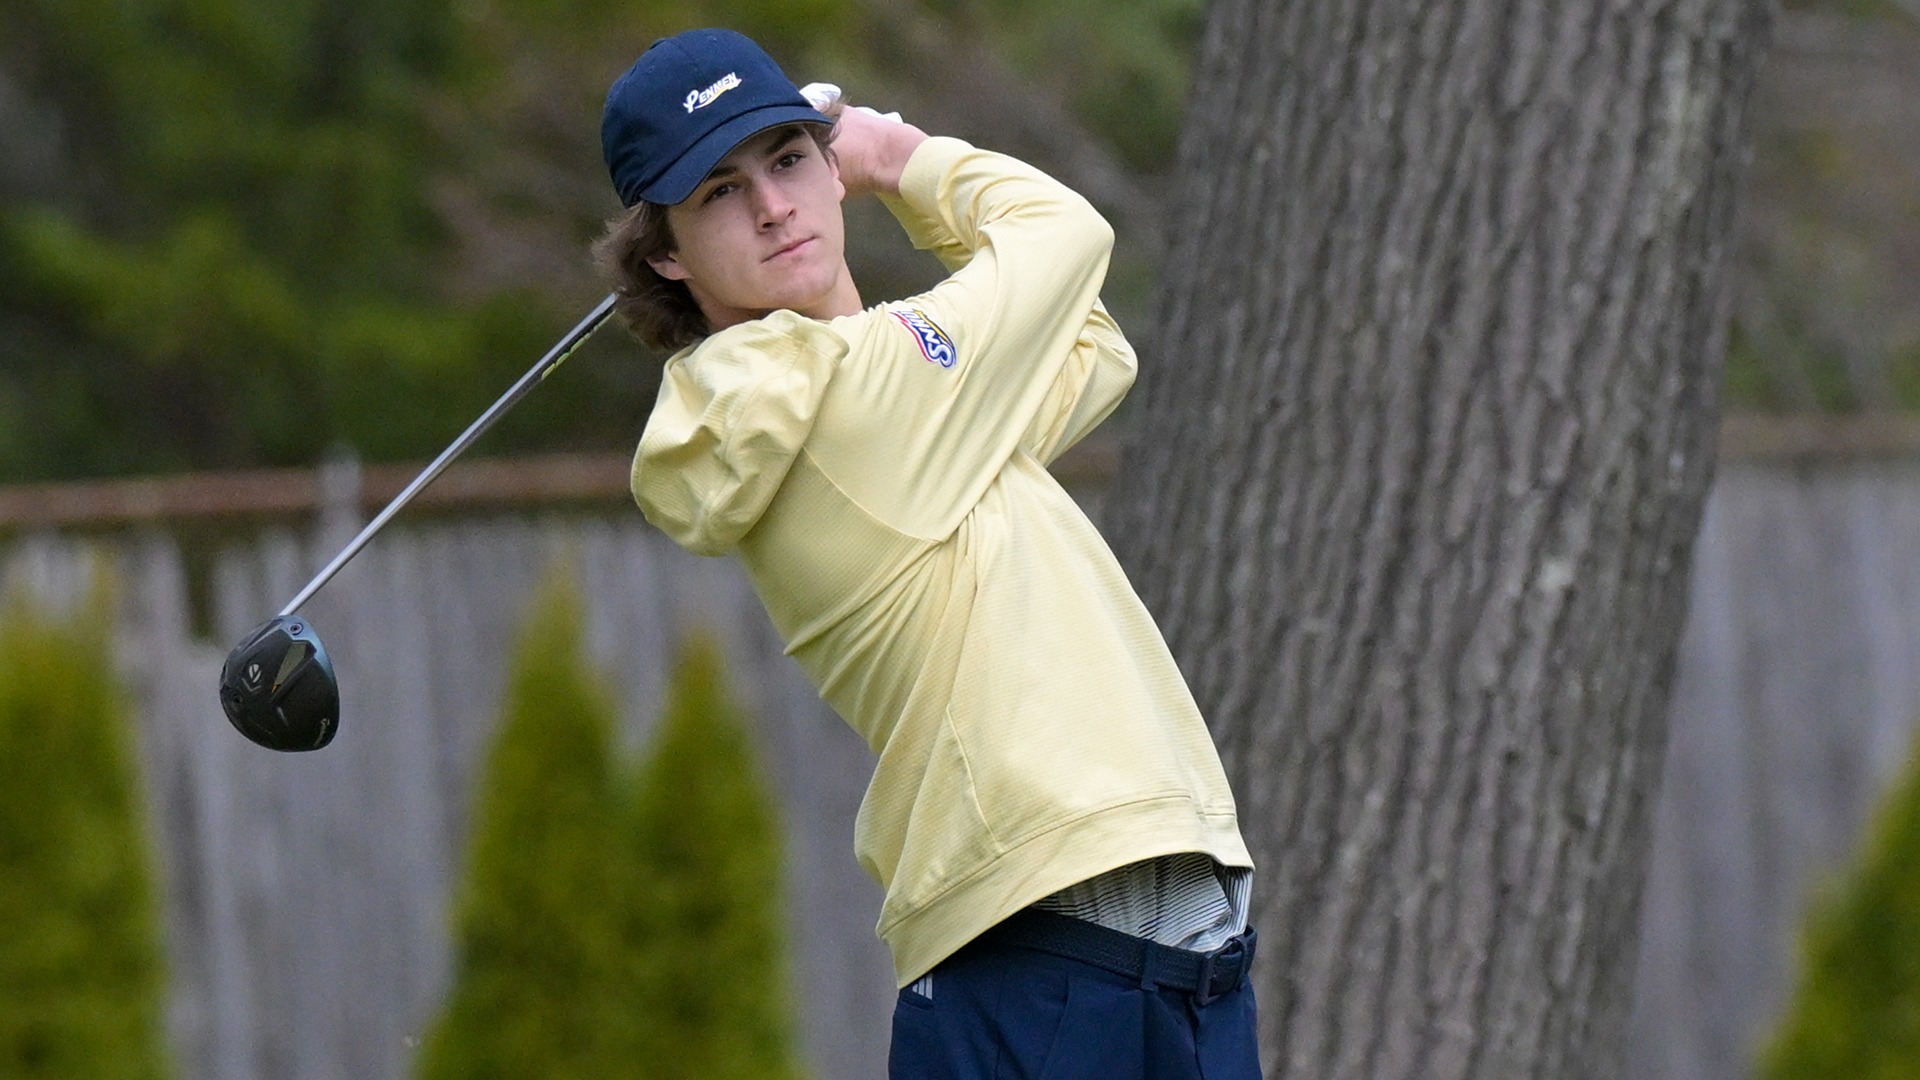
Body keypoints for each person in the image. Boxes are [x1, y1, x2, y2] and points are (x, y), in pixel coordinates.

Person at [595, 27, 1262, 1080]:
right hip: (1045, 950)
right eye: (719, 192)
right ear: (667, 253)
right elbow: (1063, 234)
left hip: (1160, 948)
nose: (773, 206)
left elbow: (1093, 345)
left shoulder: (902, 391)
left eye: (786, 160)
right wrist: (898, 161)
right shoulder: (834, 398)